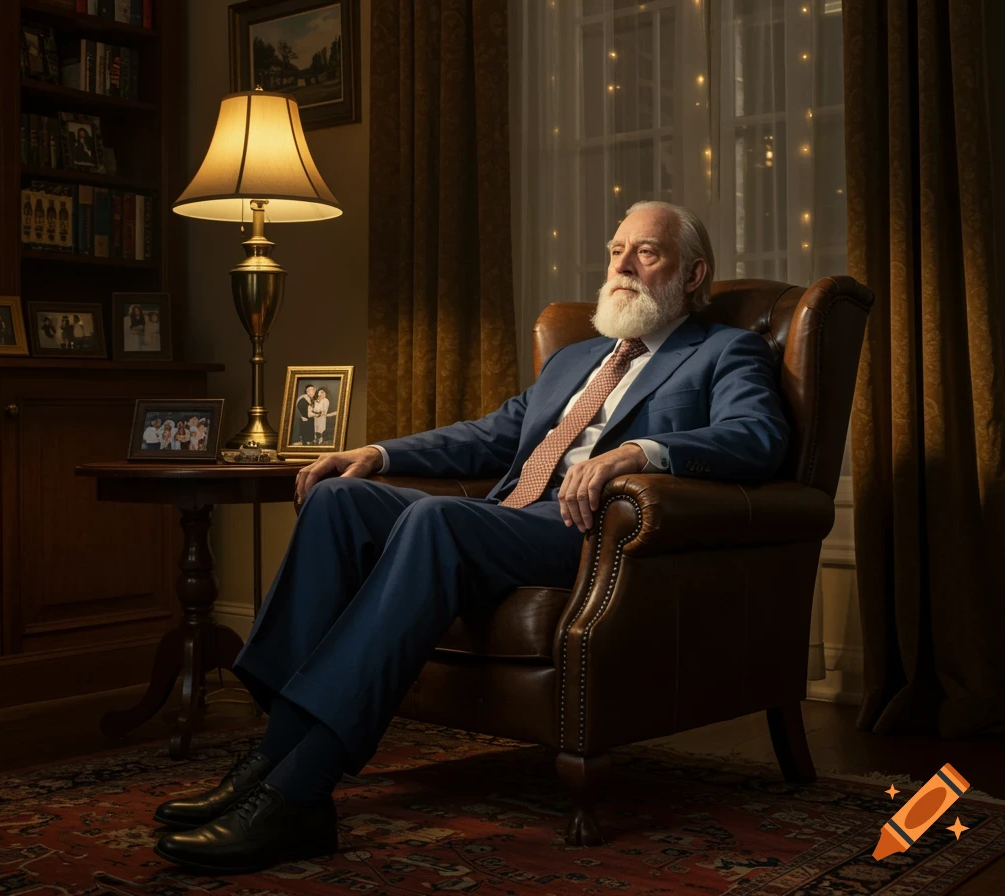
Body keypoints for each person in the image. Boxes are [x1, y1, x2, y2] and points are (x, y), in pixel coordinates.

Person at [152, 201, 791, 875]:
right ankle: (268, 759)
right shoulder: (576, 359)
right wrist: (377, 452)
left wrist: (638, 451)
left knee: (435, 519)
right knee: (339, 498)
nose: (622, 267)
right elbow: (489, 434)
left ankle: (296, 790)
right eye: (615, 251)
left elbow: (757, 439)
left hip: (588, 534)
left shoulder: (724, 350)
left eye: (646, 253)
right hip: (506, 518)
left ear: (694, 274)